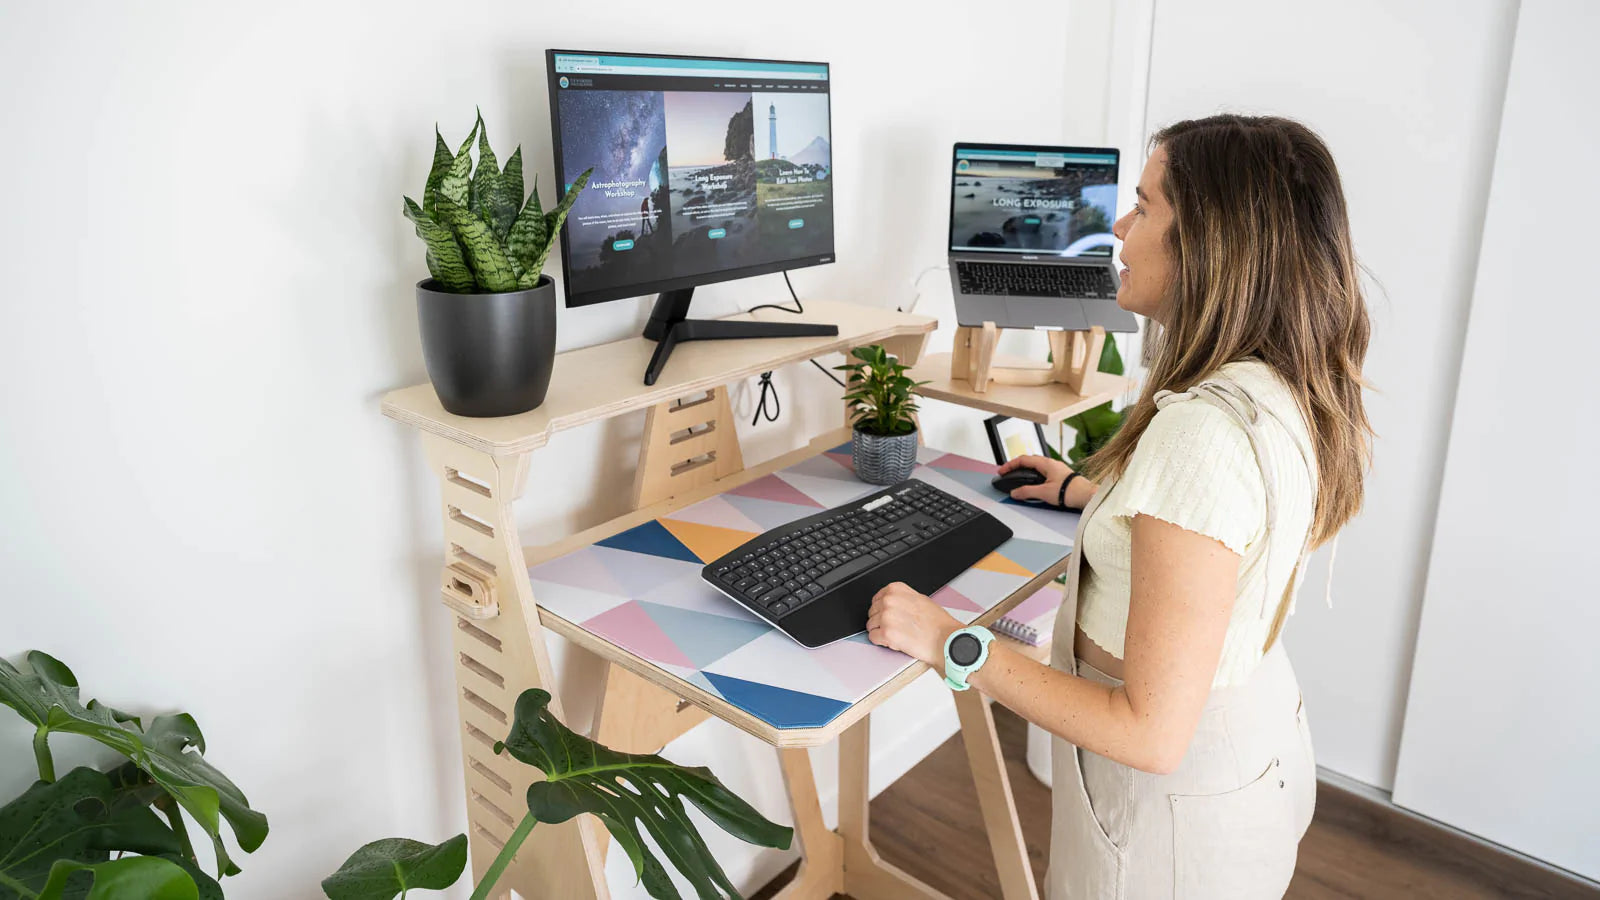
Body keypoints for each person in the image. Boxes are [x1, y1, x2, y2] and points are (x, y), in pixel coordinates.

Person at [865, 114, 1373, 899]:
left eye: (1143, 205)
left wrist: (950, 644)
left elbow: (1149, 731)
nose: (1118, 225)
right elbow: (1220, 534)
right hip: (1255, 746)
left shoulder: (1201, 433)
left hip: (1175, 819)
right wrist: (1095, 496)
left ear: (1209, 240)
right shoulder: (1280, 384)